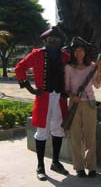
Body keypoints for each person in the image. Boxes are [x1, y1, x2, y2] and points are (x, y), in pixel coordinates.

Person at [14, 26, 70, 181]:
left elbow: (71, 72)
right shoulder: (37, 54)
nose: (53, 42)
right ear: (45, 40)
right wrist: (30, 88)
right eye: (50, 39)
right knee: (42, 132)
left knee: (58, 130)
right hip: (43, 98)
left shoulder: (65, 56)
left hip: (59, 98)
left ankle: (56, 162)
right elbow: (19, 68)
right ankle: (40, 166)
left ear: (60, 41)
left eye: (56, 39)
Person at [64, 37, 101, 178]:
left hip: (89, 103)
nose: (79, 53)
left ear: (85, 52)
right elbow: (67, 88)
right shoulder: (68, 67)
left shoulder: (92, 66)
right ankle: (79, 167)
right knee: (76, 136)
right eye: (77, 50)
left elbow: (97, 85)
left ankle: (91, 166)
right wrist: (72, 96)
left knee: (90, 136)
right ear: (73, 52)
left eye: (82, 50)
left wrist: (100, 68)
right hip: (74, 103)